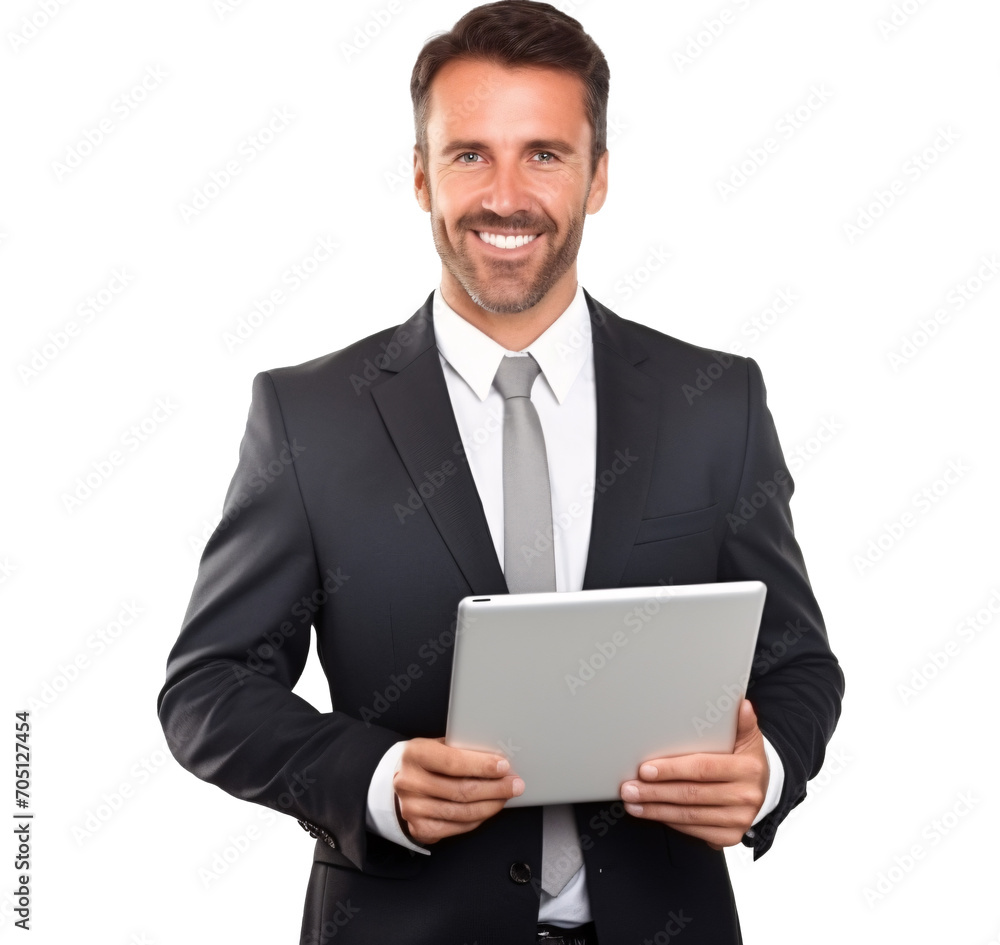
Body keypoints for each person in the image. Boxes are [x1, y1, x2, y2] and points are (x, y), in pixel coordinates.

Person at [157, 3, 844, 943]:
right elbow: (208, 685)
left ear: (598, 176)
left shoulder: (712, 401)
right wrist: (370, 777)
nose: (506, 196)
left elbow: (797, 662)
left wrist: (764, 775)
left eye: (546, 155)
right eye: (471, 154)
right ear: (419, 175)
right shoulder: (309, 416)